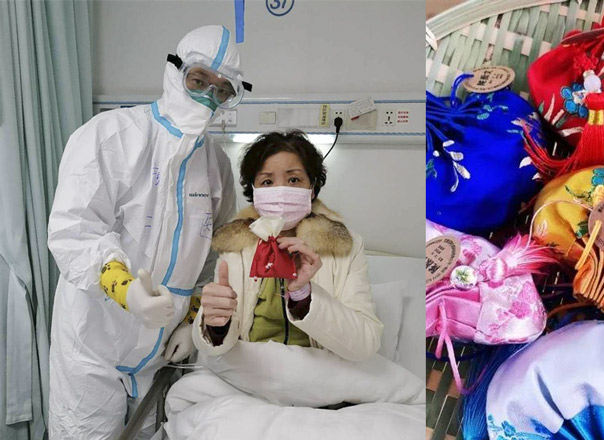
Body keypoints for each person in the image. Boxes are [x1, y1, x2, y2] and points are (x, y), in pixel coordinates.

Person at [47, 25, 250, 439]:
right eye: (198, 81)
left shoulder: (217, 168)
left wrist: (191, 322)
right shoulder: (110, 136)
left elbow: (216, 257)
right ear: (174, 71)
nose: (207, 97)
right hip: (92, 346)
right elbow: (73, 232)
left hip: (157, 355)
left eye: (222, 91)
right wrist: (125, 290)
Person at [193, 130, 383, 360]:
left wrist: (305, 296)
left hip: (321, 374)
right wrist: (217, 325)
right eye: (267, 181)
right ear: (254, 192)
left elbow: (365, 344)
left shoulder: (345, 248)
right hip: (252, 370)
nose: (280, 190)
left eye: (294, 179)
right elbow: (217, 345)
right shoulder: (234, 248)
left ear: (311, 188)